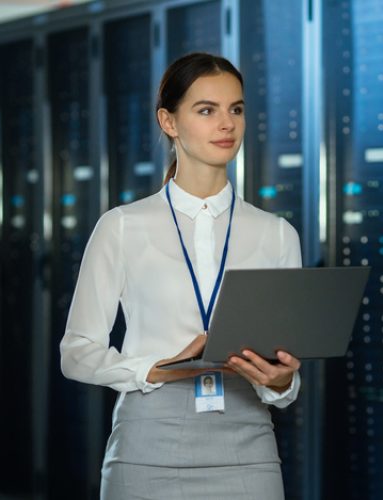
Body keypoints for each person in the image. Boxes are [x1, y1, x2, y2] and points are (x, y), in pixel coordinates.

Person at [59, 52, 301, 500]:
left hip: (248, 448)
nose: (226, 124)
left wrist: (282, 380)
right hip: (147, 445)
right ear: (168, 122)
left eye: (236, 109)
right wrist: (157, 370)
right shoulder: (123, 226)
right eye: (206, 110)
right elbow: (76, 352)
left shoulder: (277, 234)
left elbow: (284, 375)